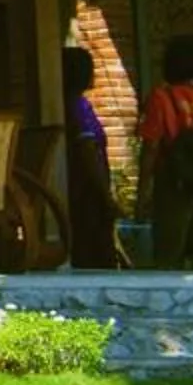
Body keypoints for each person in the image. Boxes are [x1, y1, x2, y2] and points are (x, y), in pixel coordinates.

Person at [139, 35, 193, 271]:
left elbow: (151, 147)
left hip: (173, 184)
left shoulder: (161, 98)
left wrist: (143, 191)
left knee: (168, 256)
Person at [60, 47, 119, 268]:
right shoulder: (79, 107)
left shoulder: (66, 104)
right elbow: (88, 150)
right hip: (87, 189)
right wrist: (105, 195)